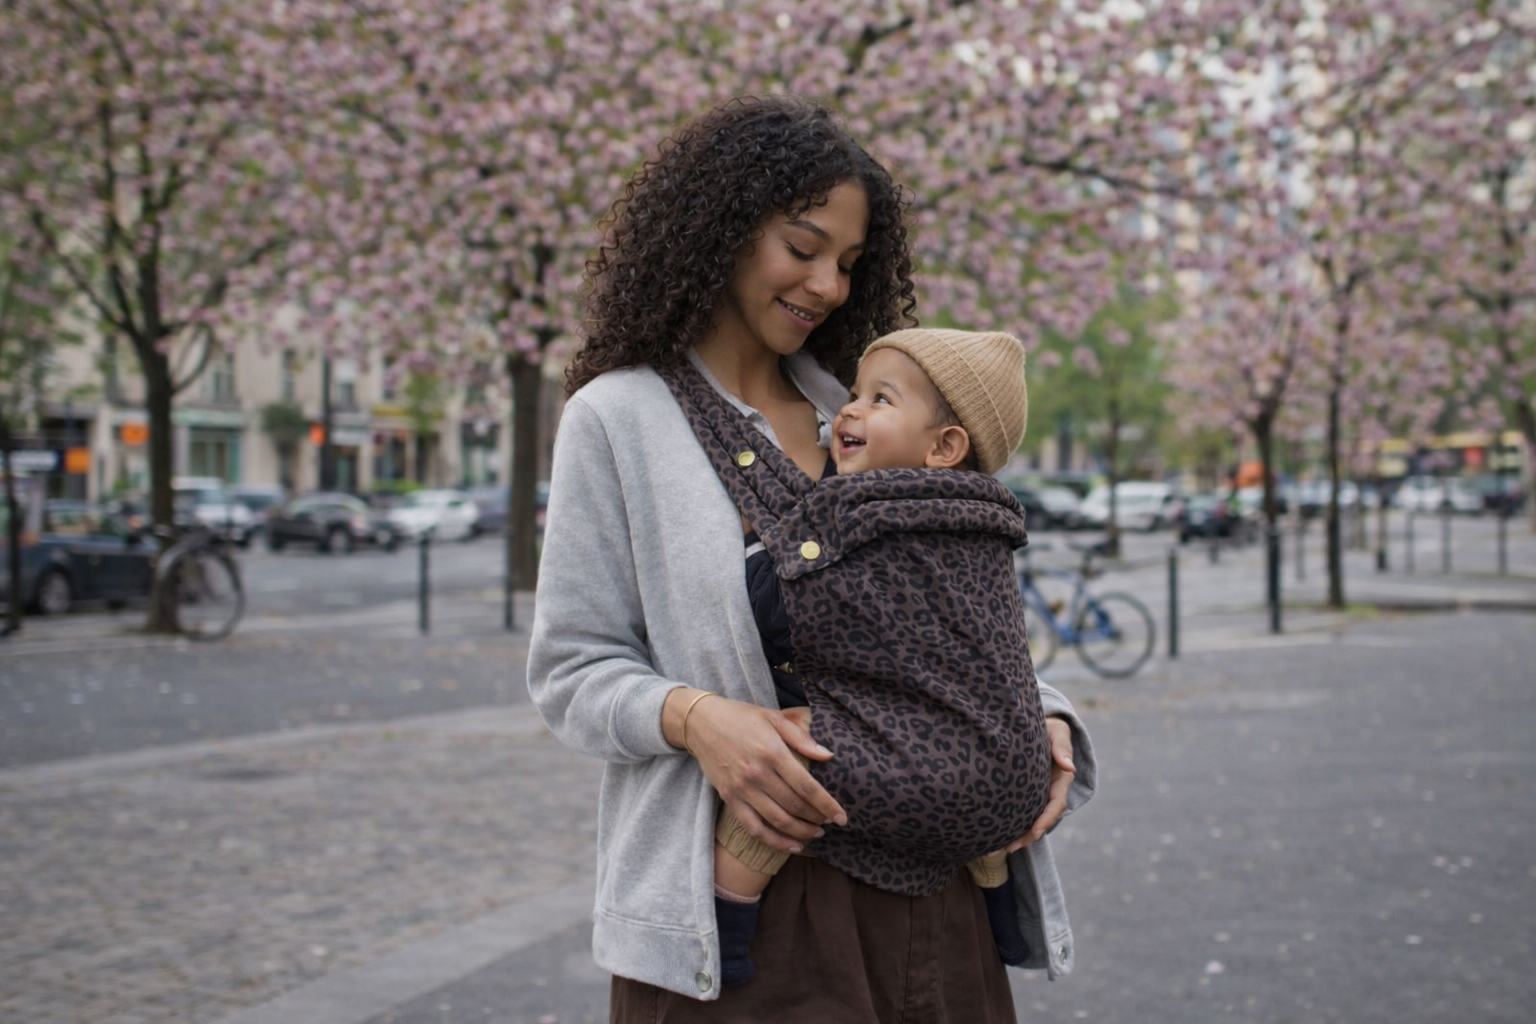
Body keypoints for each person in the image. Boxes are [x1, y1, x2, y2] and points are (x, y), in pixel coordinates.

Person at [528, 95, 1096, 1022]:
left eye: (849, 263)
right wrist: (700, 720)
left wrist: (1044, 716)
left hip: (939, 908)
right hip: (742, 928)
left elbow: (954, 613)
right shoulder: (619, 419)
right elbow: (571, 669)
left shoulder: (870, 410)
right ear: (722, 230)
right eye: (803, 247)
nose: (828, 286)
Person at [702, 326, 1054, 987]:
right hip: (1016, 771)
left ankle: (723, 930)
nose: (849, 410)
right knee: (977, 816)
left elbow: (792, 600)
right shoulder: (989, 524)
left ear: (944, 447)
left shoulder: (865, 508)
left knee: (787, 774)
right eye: (855, 393)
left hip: (920, 773)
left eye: (879, 399)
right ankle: (1005, 916)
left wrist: (754, 555)